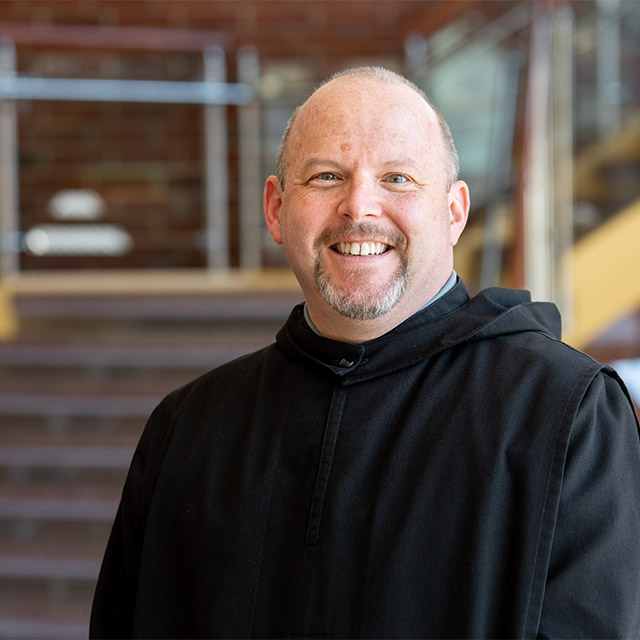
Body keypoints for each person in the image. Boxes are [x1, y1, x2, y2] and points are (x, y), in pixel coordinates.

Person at [90, 66, 640, 639]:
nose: (359, 207)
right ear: (277, 209)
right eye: (327, 176)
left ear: (454, 212)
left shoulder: (567, 415)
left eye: (398, 178)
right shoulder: (187, 428)